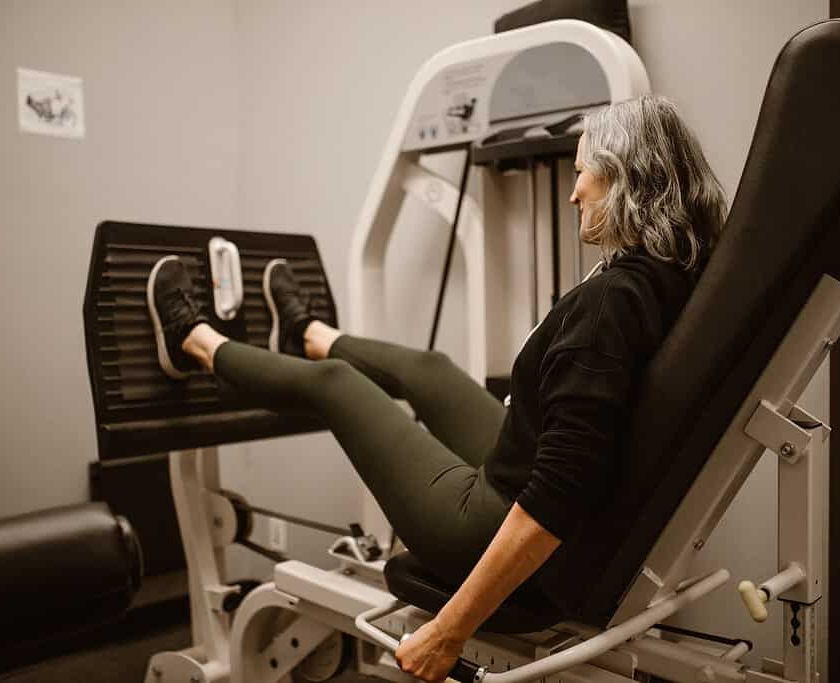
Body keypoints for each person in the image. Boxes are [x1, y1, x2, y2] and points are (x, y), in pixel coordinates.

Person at [146, 95, 727, 683]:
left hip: (484, 524)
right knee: (432, 368)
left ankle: (191, 341)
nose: (574, 192)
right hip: (519, 468)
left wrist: (449, 631)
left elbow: (559, 498)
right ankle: (309, 332)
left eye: (582, 173)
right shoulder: (672, 274)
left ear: (625, 179)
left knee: (338, 386)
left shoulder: (609, 307)